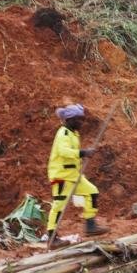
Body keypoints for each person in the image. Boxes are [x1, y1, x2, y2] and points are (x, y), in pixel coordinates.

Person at [45, 104, 109, 249]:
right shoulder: (63, 134)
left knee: (91, 192)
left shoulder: (73, 133)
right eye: (79, 120)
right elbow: (63, 152)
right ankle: (52, 238)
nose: (81, 123)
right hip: (62, 176)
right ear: (70, 119)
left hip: (74, 175)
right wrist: (83, 153)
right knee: (59, 206)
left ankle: (90, 226)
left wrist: (83, 155)